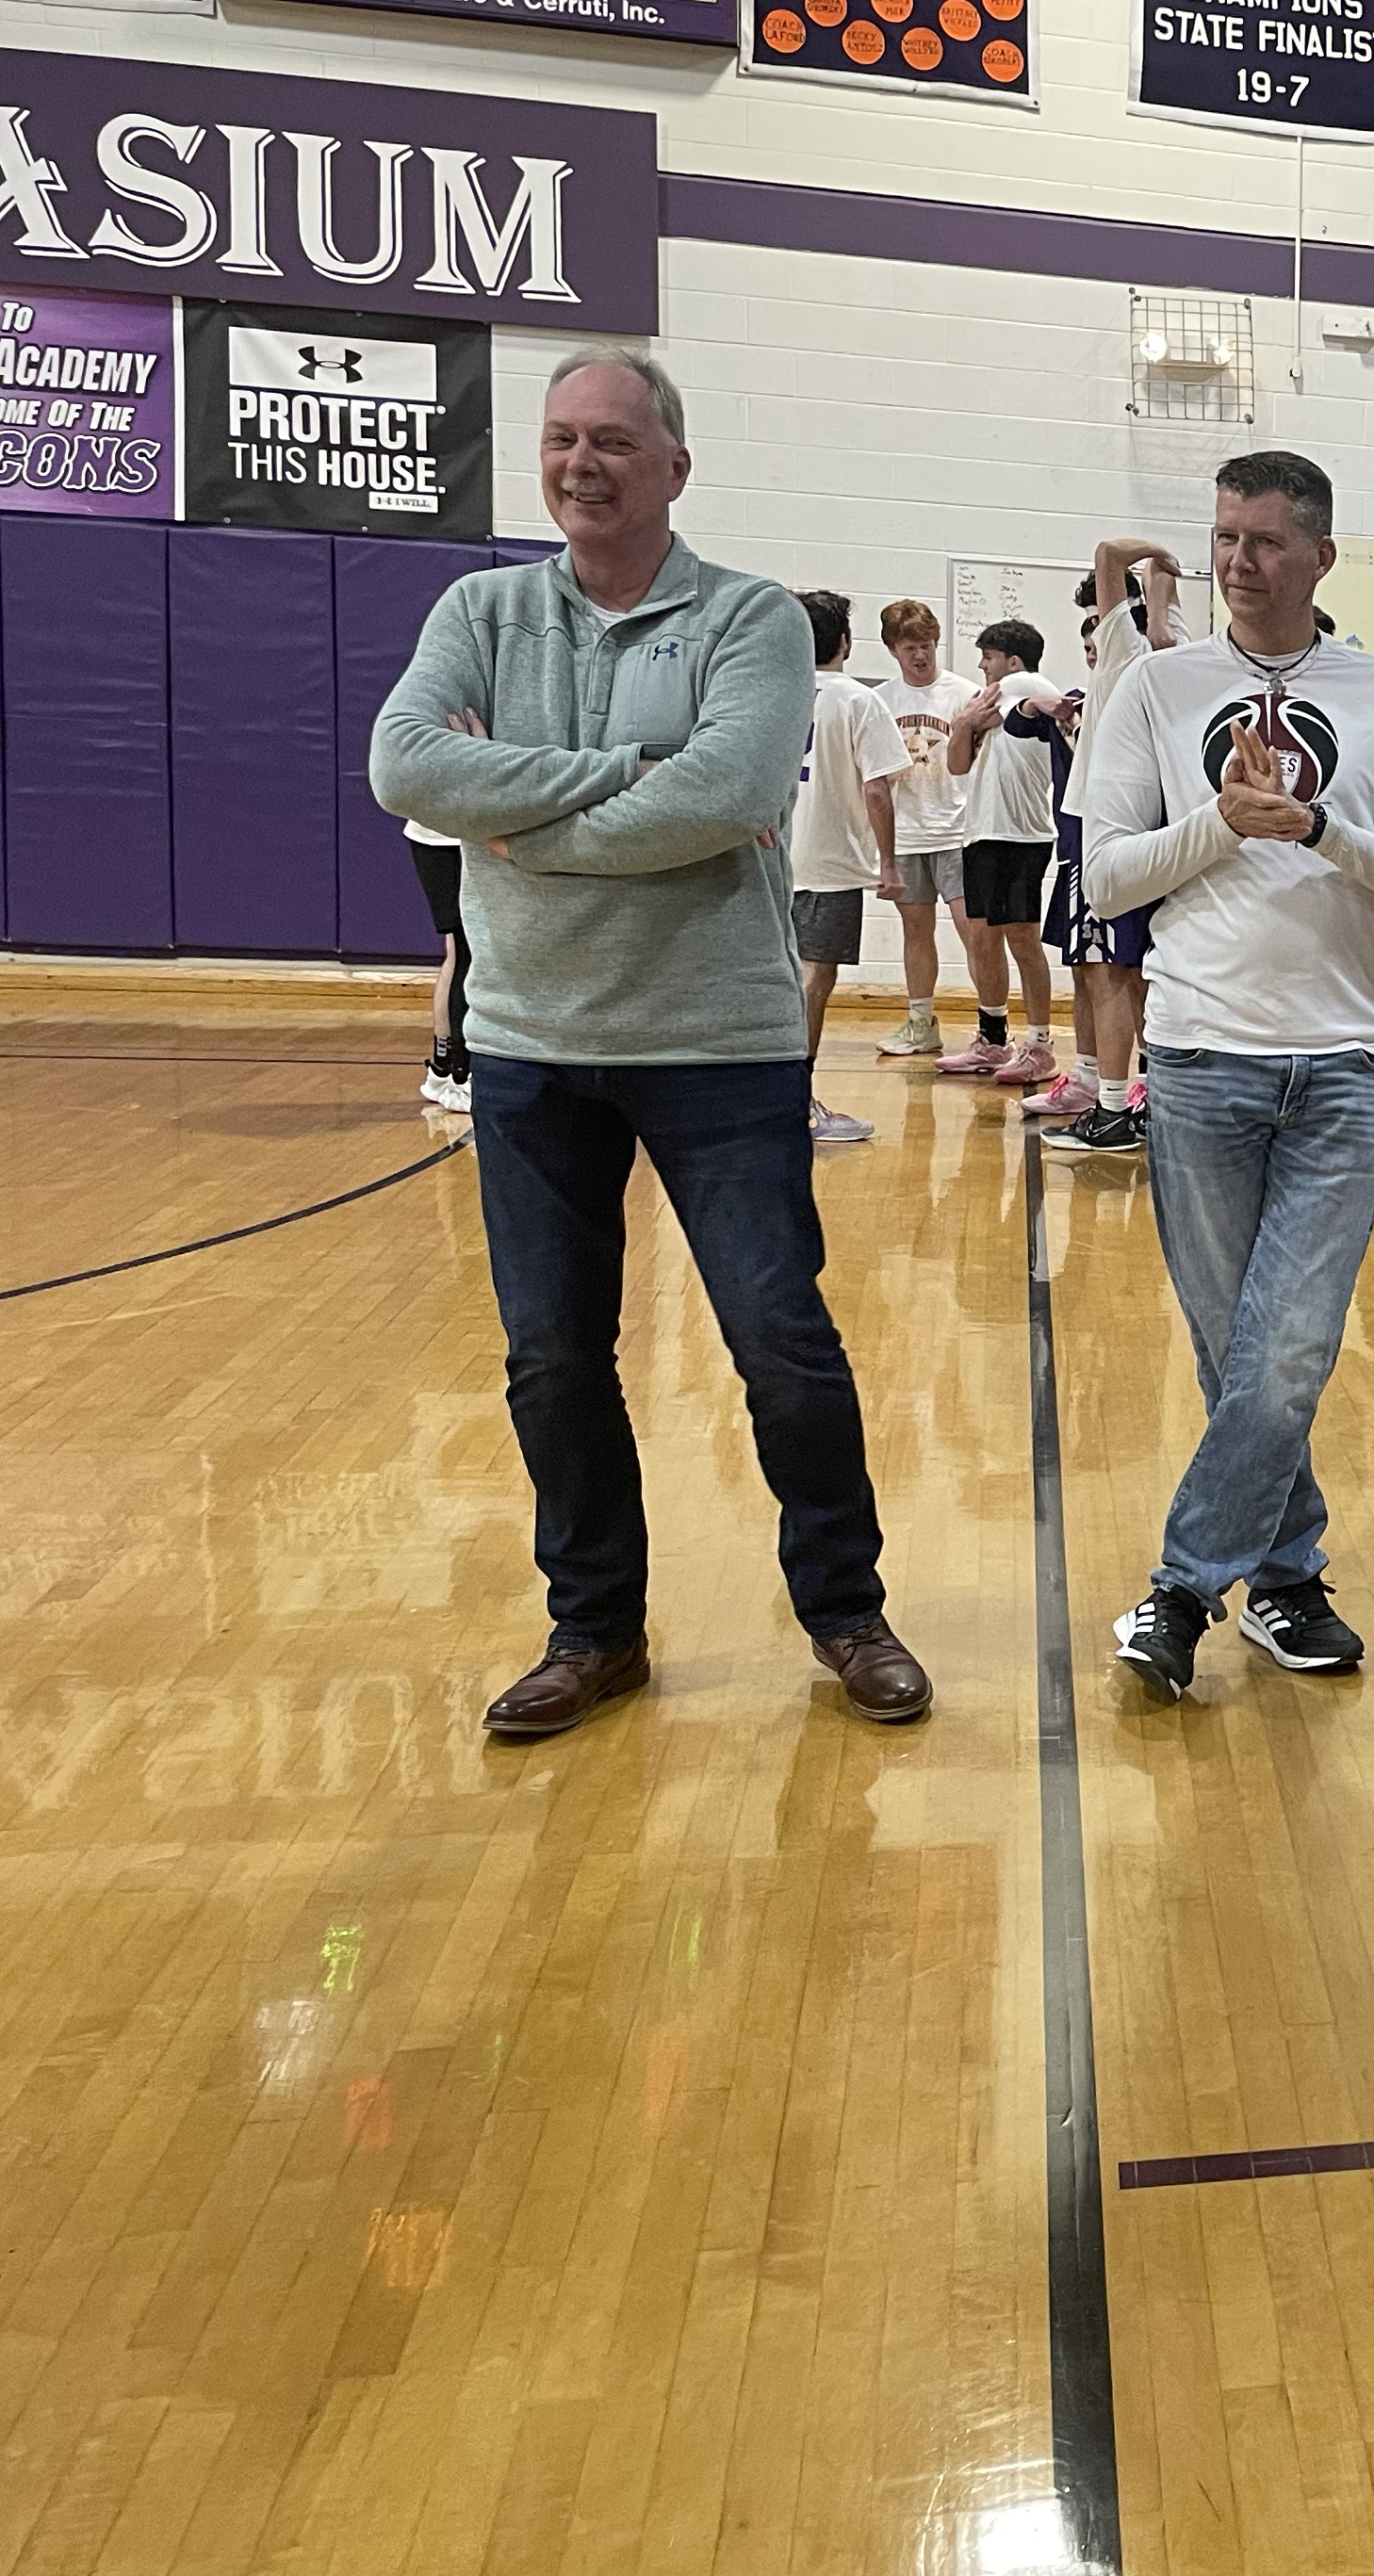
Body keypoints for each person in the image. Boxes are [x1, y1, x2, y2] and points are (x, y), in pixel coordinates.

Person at [365, 346, 932, 1737]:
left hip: (718, 1046)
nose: (582, 464)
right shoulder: (481, 608)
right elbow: (402, 768)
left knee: (779, 1337)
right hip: (529, 1046)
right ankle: (594, 1631)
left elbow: (727, 794)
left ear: (674, 466)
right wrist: (628, 780)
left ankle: (847, 1613)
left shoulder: (751, 622)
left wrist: (518, 820)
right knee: (552, 1354)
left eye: (614, 442)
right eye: (561, 439)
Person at [1078, 448, 1374, 1696]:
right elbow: (1106, 878)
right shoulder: (1154, 685)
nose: (1238, 563)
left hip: (1344, 1066)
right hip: (1196, 1057)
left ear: (1321, 555)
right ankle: (1288, 1578)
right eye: (1224, 539)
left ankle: (1182, 1595)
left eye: (1263, 542)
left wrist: (1314, 827)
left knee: (1285, 1350)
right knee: (1237, 1352)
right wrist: (1219, 826)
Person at [1020, 540, 1175, 1153]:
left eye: (1095, 621)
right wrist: (1163, 580)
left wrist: (1152, 555)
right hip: (1145, 829)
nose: (1090, 634)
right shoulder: (1169, 653)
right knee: (1121, 972)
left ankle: (1112, 1109)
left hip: (1103, 827)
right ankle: (1137, 1094)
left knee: (1109, 970)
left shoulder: (1123, 657)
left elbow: (1108, 552)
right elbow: (1162, 619)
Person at [785, 587, 903, 1147]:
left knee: (771, 978)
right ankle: (795, 1102)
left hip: (767, 861)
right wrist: (890, 862)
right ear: (846, 643)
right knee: (814, 978)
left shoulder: (771, 691)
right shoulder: (858, 700)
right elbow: (877, 789)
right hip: (828, 863)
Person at [867, 598, 996, 1066]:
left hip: (959, 832)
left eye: (925, 645)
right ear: (892, 650)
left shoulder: (963, 694)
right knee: (915, 932)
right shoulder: (880, 701)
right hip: (907, 834)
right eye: (908, 648)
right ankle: (921, 1023)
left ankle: (992, 1030)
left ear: (937, 643)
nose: (919, 656)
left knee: (976, 934)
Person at [944, 616, 1063, 1087]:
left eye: (988, 657)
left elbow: (1016, 713)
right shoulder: (984, 700)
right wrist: (962, 724)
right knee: (982, 938)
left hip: (1021, 834)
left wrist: (974, 717)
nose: (981, 665)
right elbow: (957, 766)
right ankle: (993, 1040)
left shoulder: (1025, 684)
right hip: (983, 831)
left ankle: (1041, 1046)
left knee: (1022, 940)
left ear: (1012, 661)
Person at [406, 815, 473, 1113]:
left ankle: (442, 1068)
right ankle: (463, 1074)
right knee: (467, 954)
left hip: (445, 839)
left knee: (458, 953)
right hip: (450, 842)